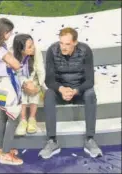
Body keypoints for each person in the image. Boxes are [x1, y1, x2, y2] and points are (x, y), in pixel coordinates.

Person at [39, 27, 103, 159]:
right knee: (49, 94)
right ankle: (52, 141)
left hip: (79, 90)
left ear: (75, 42)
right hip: (60, 90)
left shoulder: (85, 50)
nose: (63, 47)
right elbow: (49, 80)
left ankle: (90, 139)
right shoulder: (52, 50)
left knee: (90, 94)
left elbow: (90, 80)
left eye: (67, 44)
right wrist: (61, 89)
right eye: (61, 43)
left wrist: (76, 91)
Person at [0, 18, 23, 165]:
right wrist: (14, 58)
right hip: (7, 85)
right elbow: (16, 65)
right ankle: (6, 154)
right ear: (3, 32)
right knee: (13, 118)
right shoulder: (1, 49)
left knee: (2, 117)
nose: (10, 35)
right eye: (9, 32)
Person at [13, 34, 46, 136]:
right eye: (29, 47)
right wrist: (24, 84)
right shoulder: (12, 55)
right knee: (21, 90)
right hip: (19, 79)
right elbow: (15, 74)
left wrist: (38, 86)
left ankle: (32, 118)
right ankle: (22, 120)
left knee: (34, 89)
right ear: (21, 50)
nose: (33, 48)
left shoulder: (37, 52)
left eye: (33, 44)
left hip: (34, 78)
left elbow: (40, 70)